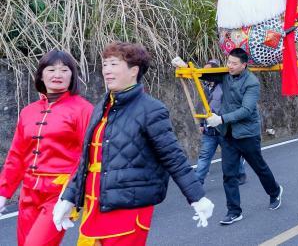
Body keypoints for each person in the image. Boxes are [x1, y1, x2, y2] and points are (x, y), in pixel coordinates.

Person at [54, 42, 213, 244]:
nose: (107, 71)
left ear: (134, 71)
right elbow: (87, 159)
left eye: (113, 64)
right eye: (104, 65)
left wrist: (197, 197)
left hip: (129, 209)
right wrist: (68, 198)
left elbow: (173, 157)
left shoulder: (151, 109)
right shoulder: (101, 107)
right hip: (96, 206)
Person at [0, 50, 93, 246]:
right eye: (51, 69)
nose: (57, 75)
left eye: (64, 70)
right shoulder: (28, 112)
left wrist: (72, 194)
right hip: (28, 193)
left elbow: (88, 154)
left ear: (72, 76)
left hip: (58, 192)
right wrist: (3, 193)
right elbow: (17, 155)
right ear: (41, 75)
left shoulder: (83, 109)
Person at [199, 48, 283, 225]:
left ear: (244, 65)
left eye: (234, 63)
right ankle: (234, 211)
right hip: (227, 134)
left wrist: (220, 118)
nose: (229, 66)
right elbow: (204, 75)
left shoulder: (252, 83)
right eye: (228, 62)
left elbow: (246, 110)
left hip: (247, 134)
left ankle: (275, 191)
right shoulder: (225, 74)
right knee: (229, 174)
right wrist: (185, 67)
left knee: (259, 167)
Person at [195, 59, 246, 185]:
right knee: (204, 157)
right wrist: (202, 123)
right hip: (209, 130)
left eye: (208, 71)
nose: (204, 73)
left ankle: (241, 174)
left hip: (223, 128)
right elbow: (203, 105)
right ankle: (197, 182)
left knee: (231, 154)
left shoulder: (225, 86)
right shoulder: (206, 87)